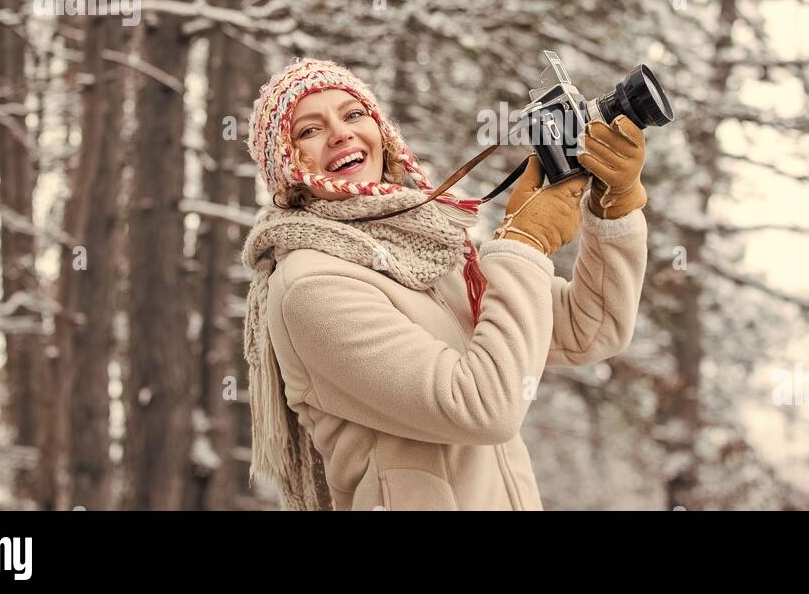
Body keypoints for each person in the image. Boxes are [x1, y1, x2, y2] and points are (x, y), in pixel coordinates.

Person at [241, 57, 649, 510]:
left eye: (354, 114)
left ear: (383, 134)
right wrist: (524, 242)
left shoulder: (433, 249)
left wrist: (615, 207)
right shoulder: (311, 287)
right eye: (309, 130)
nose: (341, 133)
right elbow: (483, 408)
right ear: (285, 166)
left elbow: (591, 329)